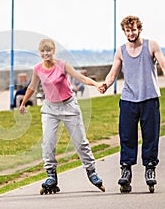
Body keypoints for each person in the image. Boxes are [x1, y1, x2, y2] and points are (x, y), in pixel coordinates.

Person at [19, 39, 105, 194]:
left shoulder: (62, 65)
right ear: (40, 53)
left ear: (53, 51)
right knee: (48, 142)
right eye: (43, 51)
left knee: (80, 142)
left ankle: (91, 171)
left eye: (49, 51)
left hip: (69, 106)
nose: (46, 54)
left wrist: (97, 84)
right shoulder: (37, 69)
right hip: (50, 108)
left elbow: (81, 78)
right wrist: (23, 103)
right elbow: (32, 86)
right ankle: (51, 174)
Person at [99, 15, 165, 193]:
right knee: (127, 136)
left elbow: (164, 66)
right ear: (124, 32)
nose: (131, 33)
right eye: (128, 31)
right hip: (128, 100)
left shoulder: (152, 45)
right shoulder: (121, 51)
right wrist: (106, 84)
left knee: (150, 136)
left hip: (149, 98)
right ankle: (126, 170)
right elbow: (113, 73)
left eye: (133, 30)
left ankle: (150, 169)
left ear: (139, 29)